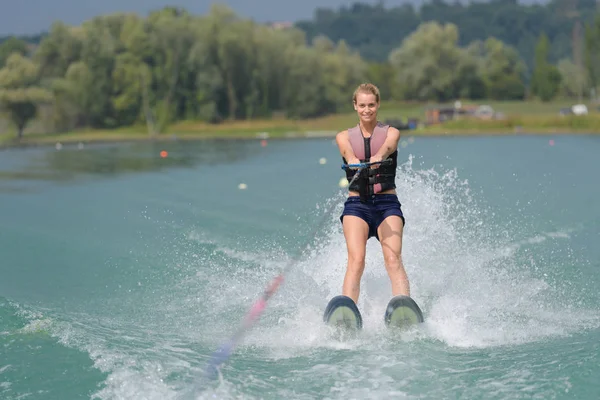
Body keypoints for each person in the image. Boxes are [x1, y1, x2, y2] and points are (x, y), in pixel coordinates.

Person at [335, 83, 410, 305]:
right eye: (362, 105)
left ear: (378, 105)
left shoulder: (392, 133)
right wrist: (352, 160)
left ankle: (403, 306)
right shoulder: (343, 137)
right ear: (355, 106)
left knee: (393, 259)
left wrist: (378, 156)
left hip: (387, 204)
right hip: (357, 205)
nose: (367, 110)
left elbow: (389, 146)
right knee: (356, 261)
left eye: (371, 105)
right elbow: (348, 153)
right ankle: (347, 310)